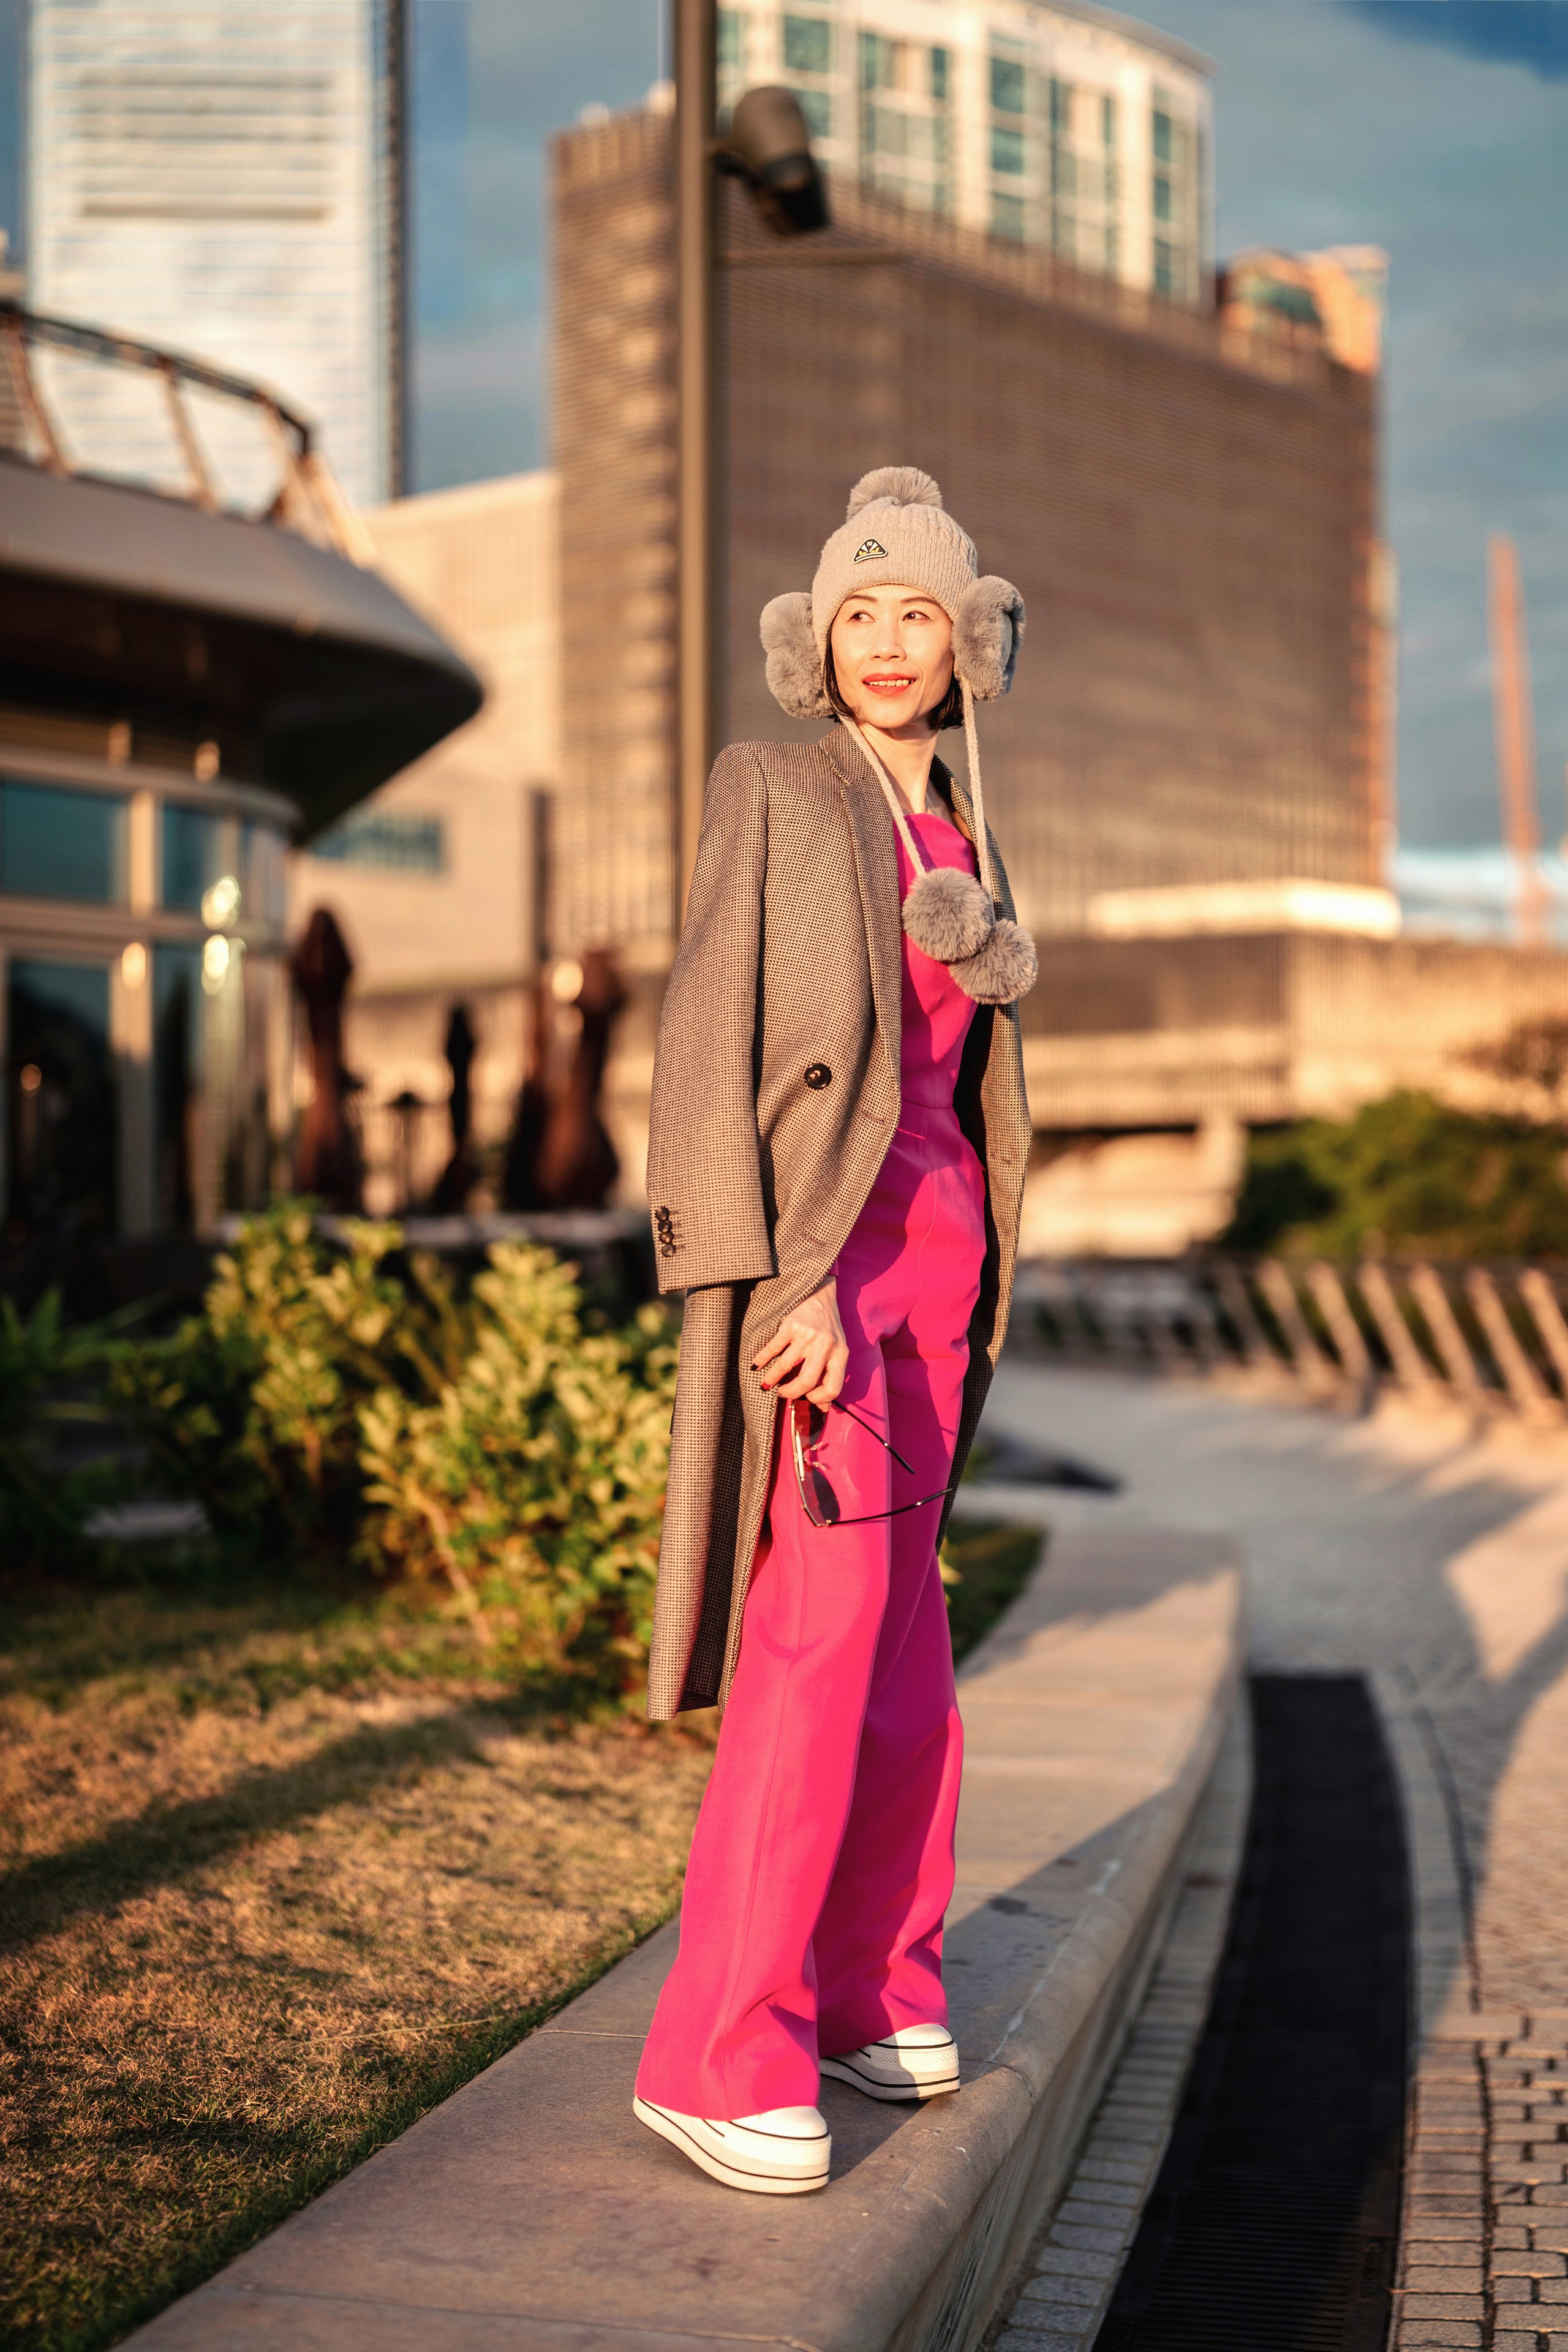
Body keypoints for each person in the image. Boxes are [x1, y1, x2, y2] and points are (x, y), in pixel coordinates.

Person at [633, 467, 1035, 2196]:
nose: (887, 643)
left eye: (918, 614)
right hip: (830, 1285)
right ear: (822, 638)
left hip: (944, 1284)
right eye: (860, 613)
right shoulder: (781, 790)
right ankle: (718, 2048)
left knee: (910, 1661)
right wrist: (765, 1287)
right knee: (817, 1650)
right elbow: (700, 1047)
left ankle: (880, 1983)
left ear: (966, 643)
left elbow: (960, 1095)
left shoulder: (974, 827)